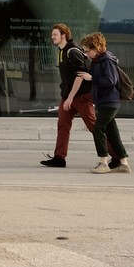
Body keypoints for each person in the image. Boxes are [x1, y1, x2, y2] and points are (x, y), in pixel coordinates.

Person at [40, 23, 96, 168]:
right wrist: (67, 96)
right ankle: (59, 158)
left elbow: (80, 76)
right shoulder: (61, 51)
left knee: (94, 127)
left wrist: (70, 97)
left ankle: (116, 156)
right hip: (68, 95)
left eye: (55, 34)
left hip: (81, 96)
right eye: (52, 35)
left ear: (63, 36)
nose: (52, 37)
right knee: (63, 125)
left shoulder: (72, 51)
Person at [80, 31, 131, 175]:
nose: (86, 53)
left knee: (98, 129)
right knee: (112, 132)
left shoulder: (106, 60)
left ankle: (103, 162)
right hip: (105, 102)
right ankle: (123, 163)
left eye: (87, 50)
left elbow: (110, 81)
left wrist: (91, 78)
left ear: (96, 47)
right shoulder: (98, 61)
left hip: (109, 102)